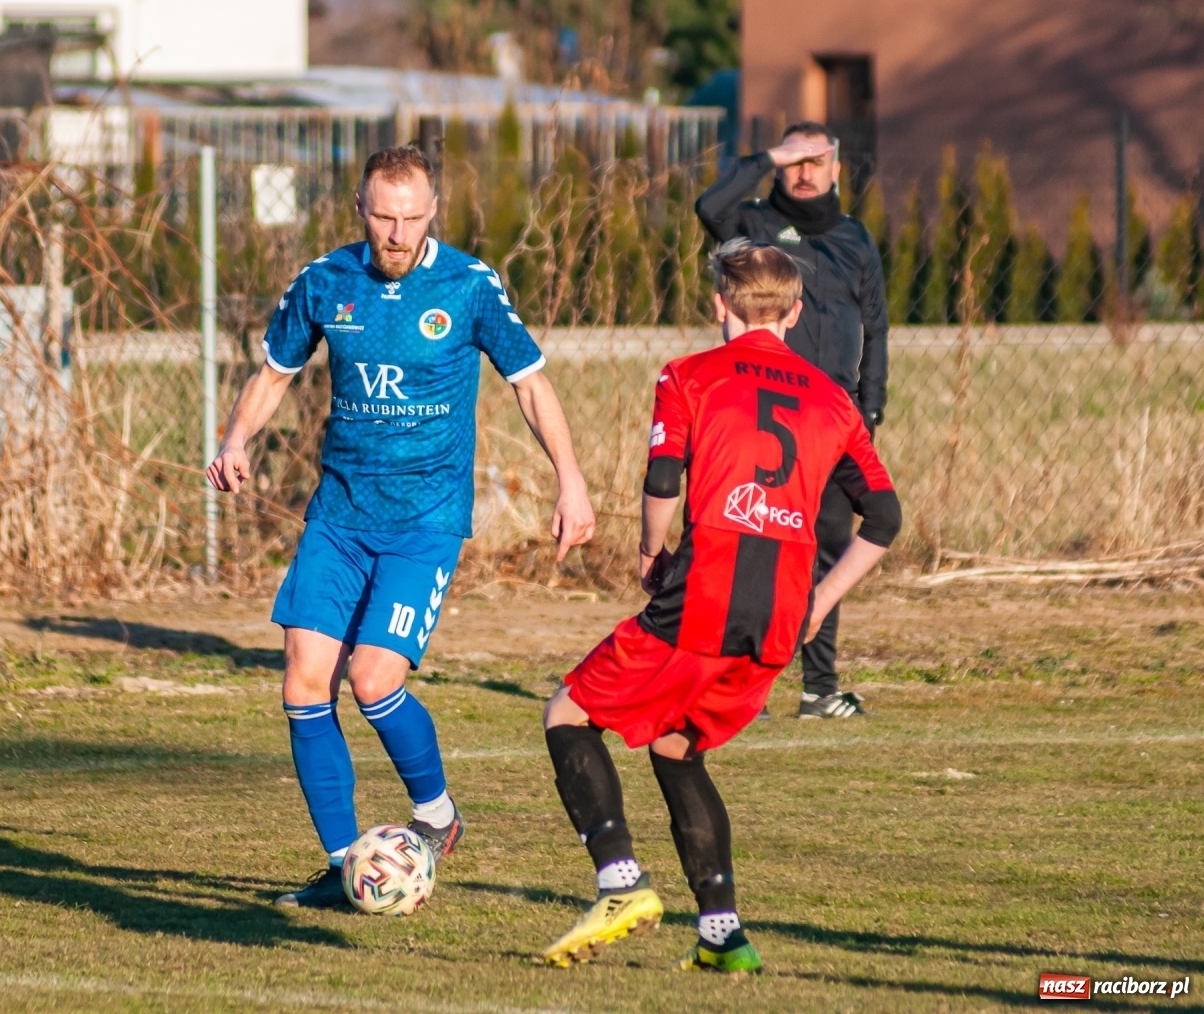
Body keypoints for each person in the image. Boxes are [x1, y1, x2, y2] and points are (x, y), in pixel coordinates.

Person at [207, 145, 597, 909]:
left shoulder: (468, 284)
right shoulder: (326, 281)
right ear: (360, 208)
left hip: (425, 518)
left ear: (432, 213)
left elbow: (531, 385)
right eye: (384, 217)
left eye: (412, 218)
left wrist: (571, 482)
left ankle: (438, 815)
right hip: (340, 515)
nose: (397, 233)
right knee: (303, 681)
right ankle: (343, 866)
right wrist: (235, 439)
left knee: (374, 678)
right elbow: (275, 373)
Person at [537, 240, 901, 972]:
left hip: (704, 593)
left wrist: (651, 552)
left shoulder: (689, 375)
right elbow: (886, 518)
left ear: (718, 305)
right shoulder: (834, 401)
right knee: (676, 746)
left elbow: (662, 478)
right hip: (780, 615)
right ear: (794, 313)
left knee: (567, 713)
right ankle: (722, 934)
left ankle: (620, 883)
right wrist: (820, 600)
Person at [695, 122, 889, 719]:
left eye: (817, 159)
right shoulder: (753, 226)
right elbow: (709, 207)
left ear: (837, 170)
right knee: (749, 545)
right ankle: (731, 679)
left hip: (832, 421)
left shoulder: (855, 238)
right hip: (762, 417)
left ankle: (819, 688)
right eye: (795, 160)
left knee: (829, 545)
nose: (806, 171)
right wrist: (768, 156)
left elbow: (877, 327)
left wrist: (870, 407)